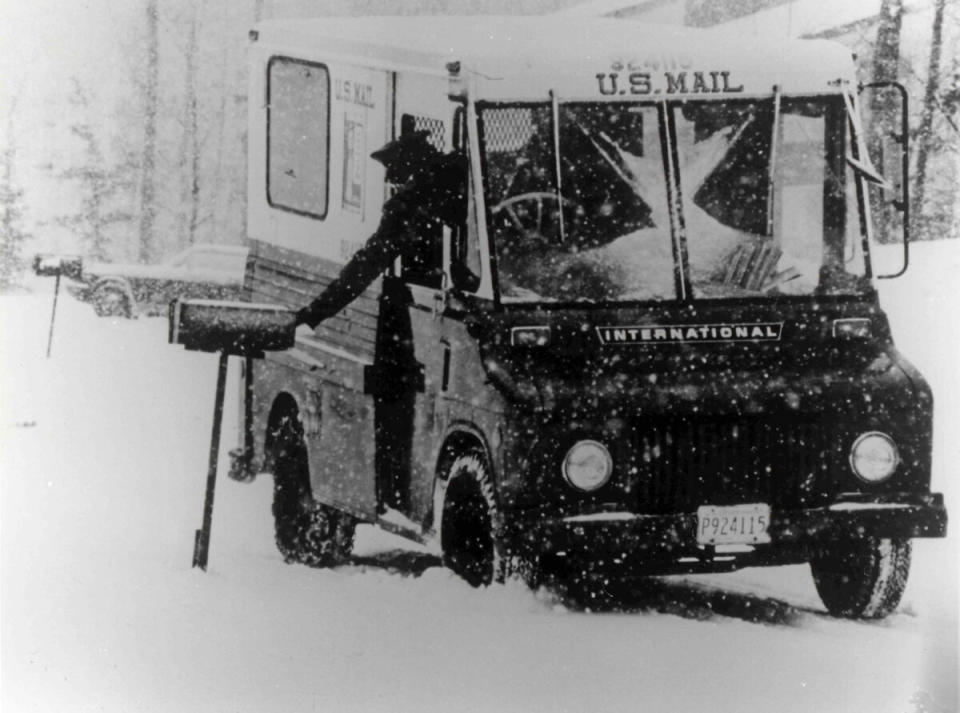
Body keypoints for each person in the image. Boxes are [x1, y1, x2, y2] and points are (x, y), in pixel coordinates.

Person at [294, 131, 467, 328]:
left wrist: (312, 315)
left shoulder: (406, 204)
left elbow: (365, 266)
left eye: (392, 167)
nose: (388, 177)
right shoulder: (460, 167)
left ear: (411, 162)